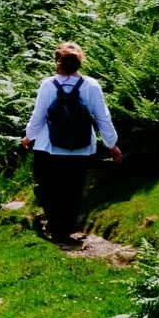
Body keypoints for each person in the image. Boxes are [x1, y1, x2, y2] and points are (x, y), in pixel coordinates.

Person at [20, 42, 120, 244]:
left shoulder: (48, 85)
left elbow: (38, 116)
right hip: (81, 149)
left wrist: (29, 136)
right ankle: (63, 232)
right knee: (73, 192)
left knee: (48, 188)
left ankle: (54, 225)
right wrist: (112, 145)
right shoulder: (91, 85)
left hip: (49, 148)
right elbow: (103, 118)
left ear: (58, 62)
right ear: (79, 62)